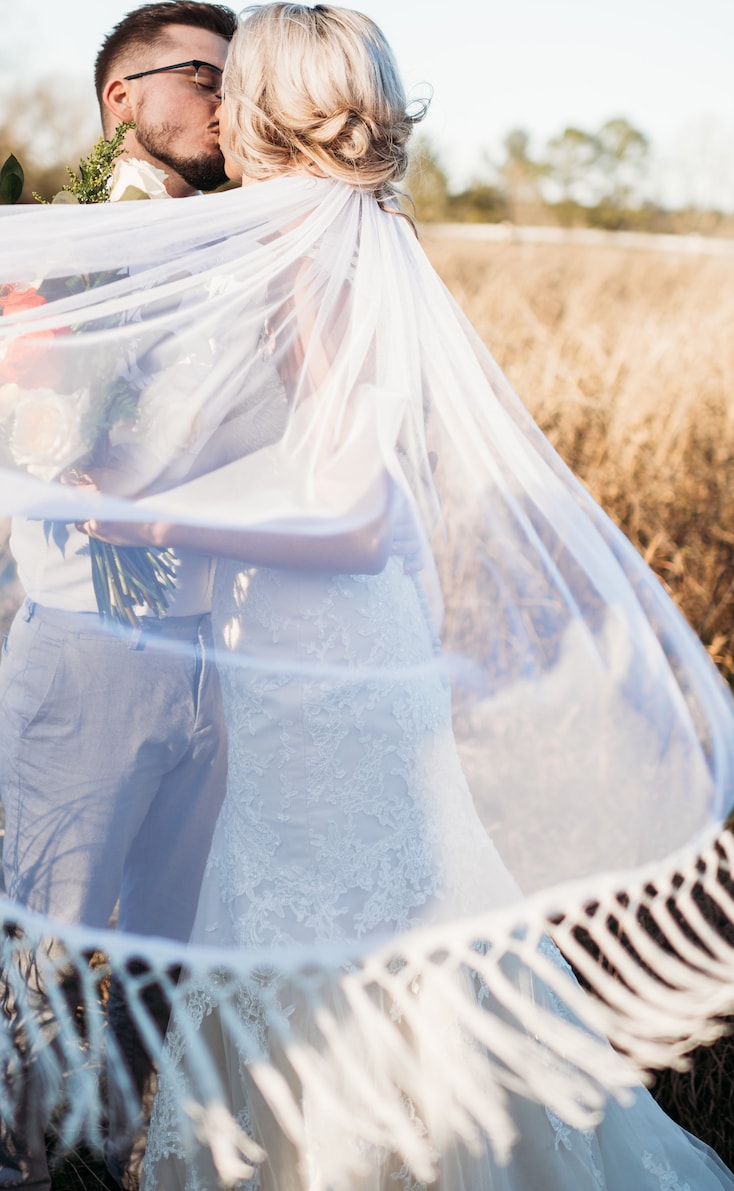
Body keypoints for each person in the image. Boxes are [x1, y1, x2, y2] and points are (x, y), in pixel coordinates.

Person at [54, 5, 734, 1187]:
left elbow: (347, 510)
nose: (216, 106)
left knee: (332, 920)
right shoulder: (349, 231)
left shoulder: (317, 248)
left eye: (237, 85)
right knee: (340, 913)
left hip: (329, 655)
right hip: (328, 649)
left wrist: (156, 517)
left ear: (269, 102)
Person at [0, 4, 237, 1188]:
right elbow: (27, 428)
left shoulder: (254, 247)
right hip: (86, 644)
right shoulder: (53, 252)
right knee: (47, 936)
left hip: (221, 648)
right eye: (202, 75)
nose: (225, 100)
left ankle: (109, 1144)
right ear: (122, 99)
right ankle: (23, 1160)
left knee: (162, 949)